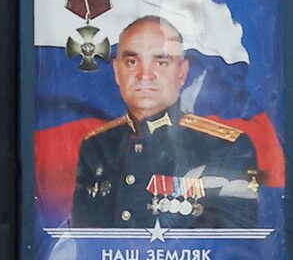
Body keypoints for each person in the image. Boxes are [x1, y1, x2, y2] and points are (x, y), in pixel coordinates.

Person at [71, 15, 262, 229]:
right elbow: (84, 243)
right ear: (117, 71)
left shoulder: (227, 148)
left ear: (182, 73)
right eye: (132, 62)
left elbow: (238, 248)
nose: (145, 75)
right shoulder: (96, 146)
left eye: (161, 62)